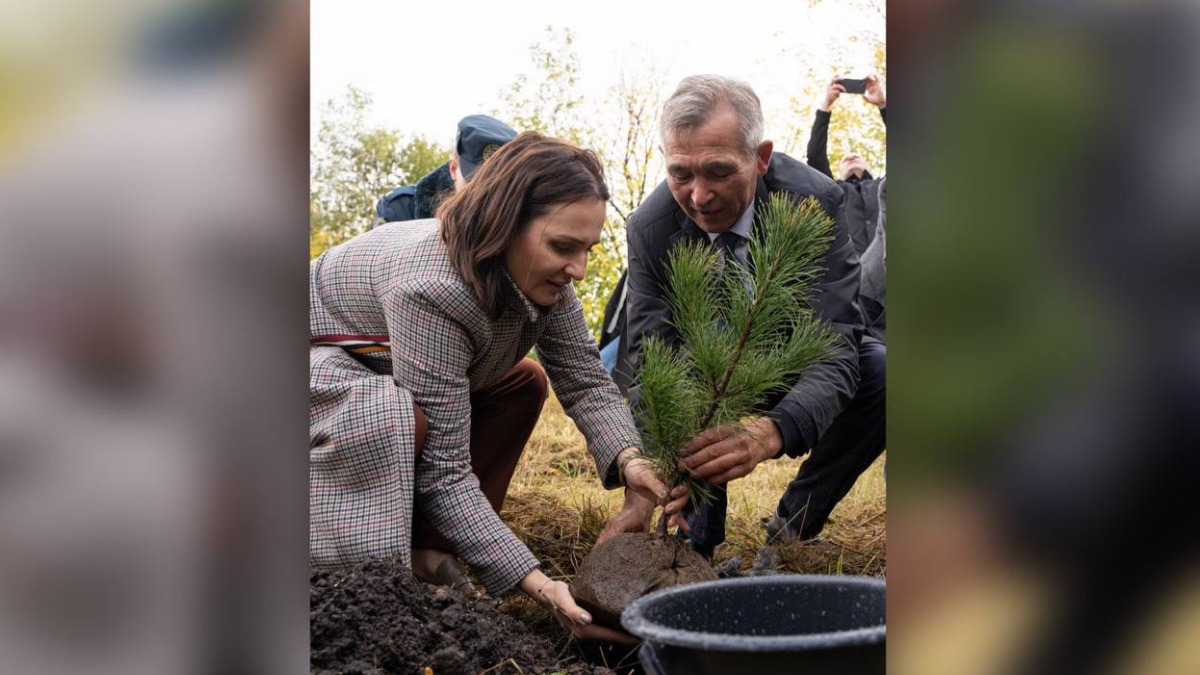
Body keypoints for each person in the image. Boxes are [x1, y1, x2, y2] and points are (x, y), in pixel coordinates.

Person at [309, 132, 687, 641]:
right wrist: (534, 580)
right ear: (505, 226)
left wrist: (629, 460)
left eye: (588, 249)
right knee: (397, 417)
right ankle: (359, 574)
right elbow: (446, 472)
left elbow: (586, 381)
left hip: (374, 357)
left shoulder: (543, 282)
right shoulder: (432, 289)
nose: (578, 269)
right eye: (562, 246)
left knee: (522, 382)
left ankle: (431, 548)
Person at [605, 75, 885, 554]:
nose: (698, 196)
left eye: (718, 171)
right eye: (681, 174)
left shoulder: (813, 204)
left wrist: (773, 430)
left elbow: (835, 342)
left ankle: (793, 524)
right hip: (702, 377)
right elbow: (653, 359)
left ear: (760, 157)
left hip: (790, 360)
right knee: (684, 388)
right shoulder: (650, 229)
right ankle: (695, 542)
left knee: (882, 370)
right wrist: (642, 488)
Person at [807, 74, 887, 341]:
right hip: (855, 284)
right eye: (844, 158)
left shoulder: (882, 187)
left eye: (857, 156)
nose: (851, 156)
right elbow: (815, 157)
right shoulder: (833, 191)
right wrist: (825, 106)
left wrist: (883, 104)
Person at [374, 114, 518, 224]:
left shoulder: (517, 218)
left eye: (494, 186)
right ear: (453, 169)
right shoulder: (400, 208)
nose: (482, 195)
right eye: (474, 183)